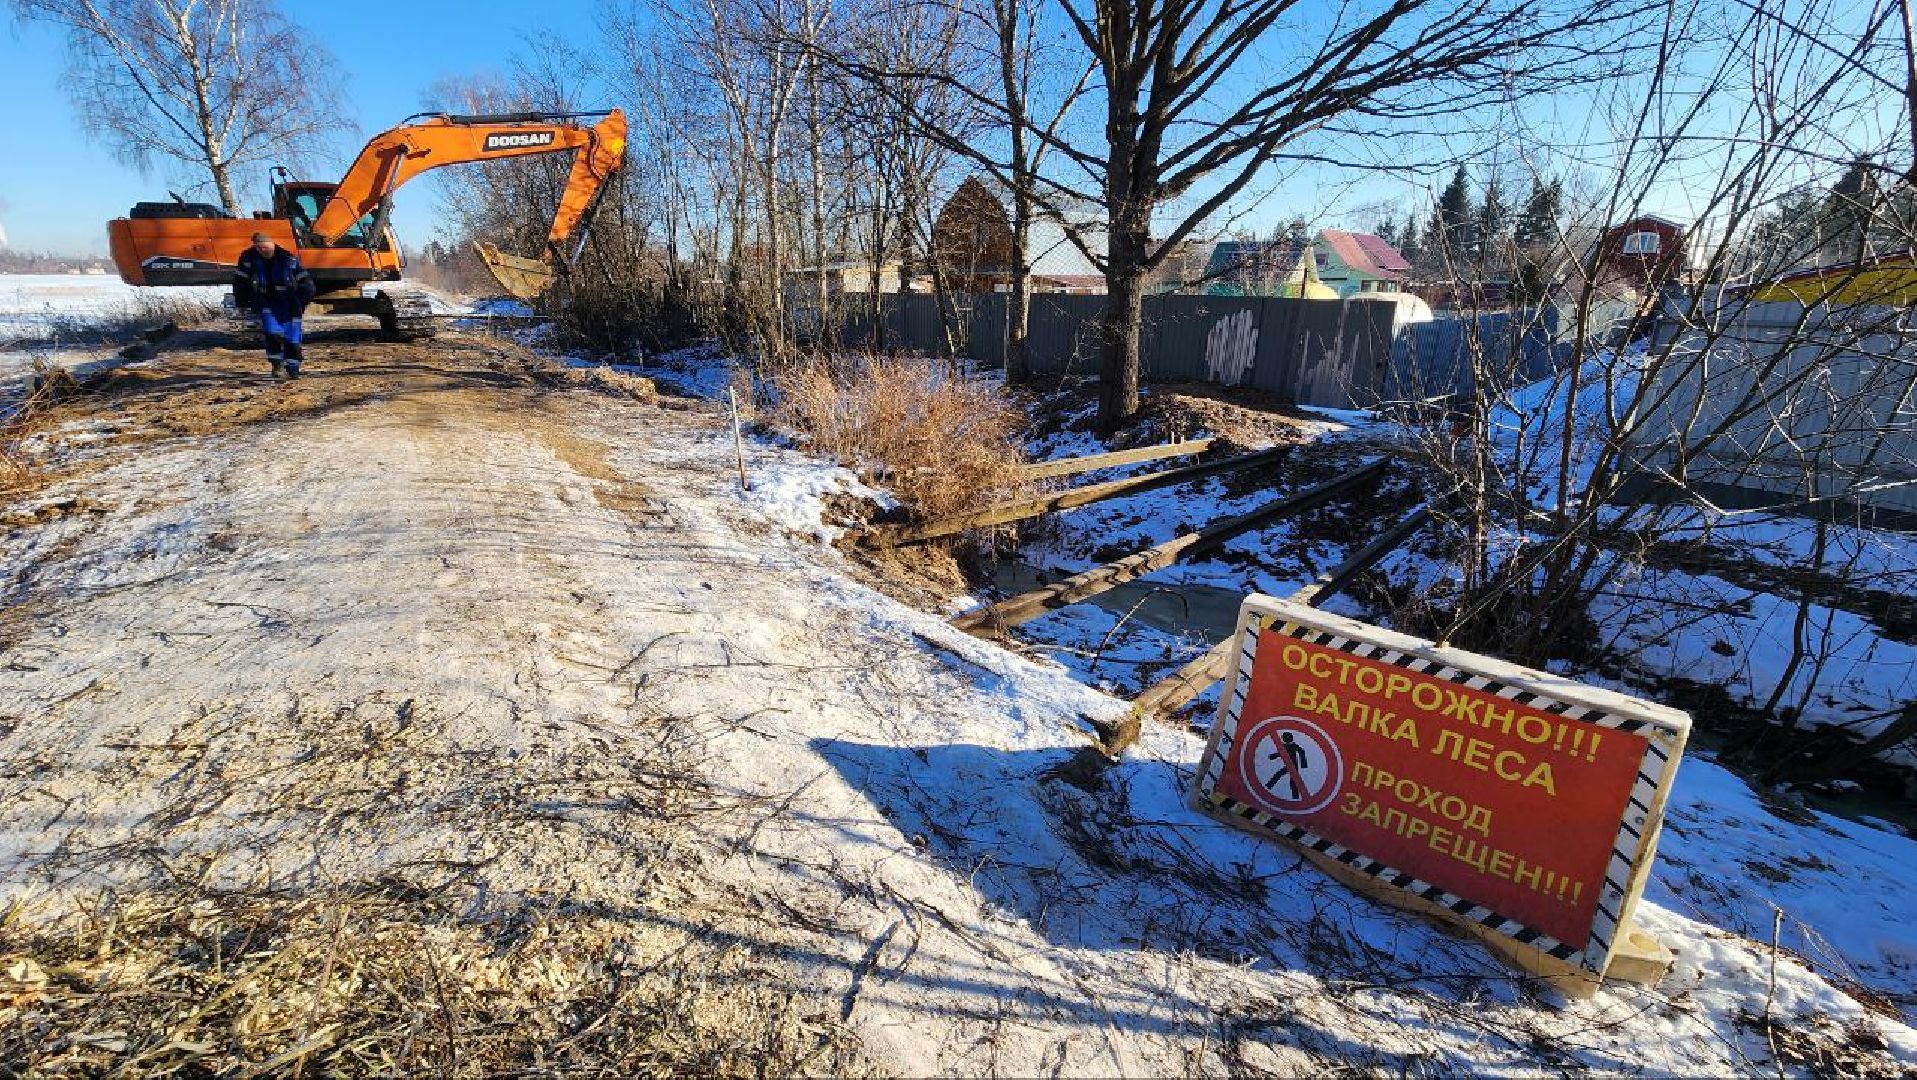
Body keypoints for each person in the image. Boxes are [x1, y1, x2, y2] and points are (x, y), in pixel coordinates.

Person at [233, 232, 317, 378]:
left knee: (293, 338)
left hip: (290, 303)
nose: (261, 251)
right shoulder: (249, 258)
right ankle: (277, 365)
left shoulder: (288, 259)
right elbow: (240, 281)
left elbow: (306, 283)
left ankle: (293, 367)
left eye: (264, 247)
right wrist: (243, 301)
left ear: (272, 244)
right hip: (267, 302)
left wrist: (301, 302)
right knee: (272, 334)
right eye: (258, 248)